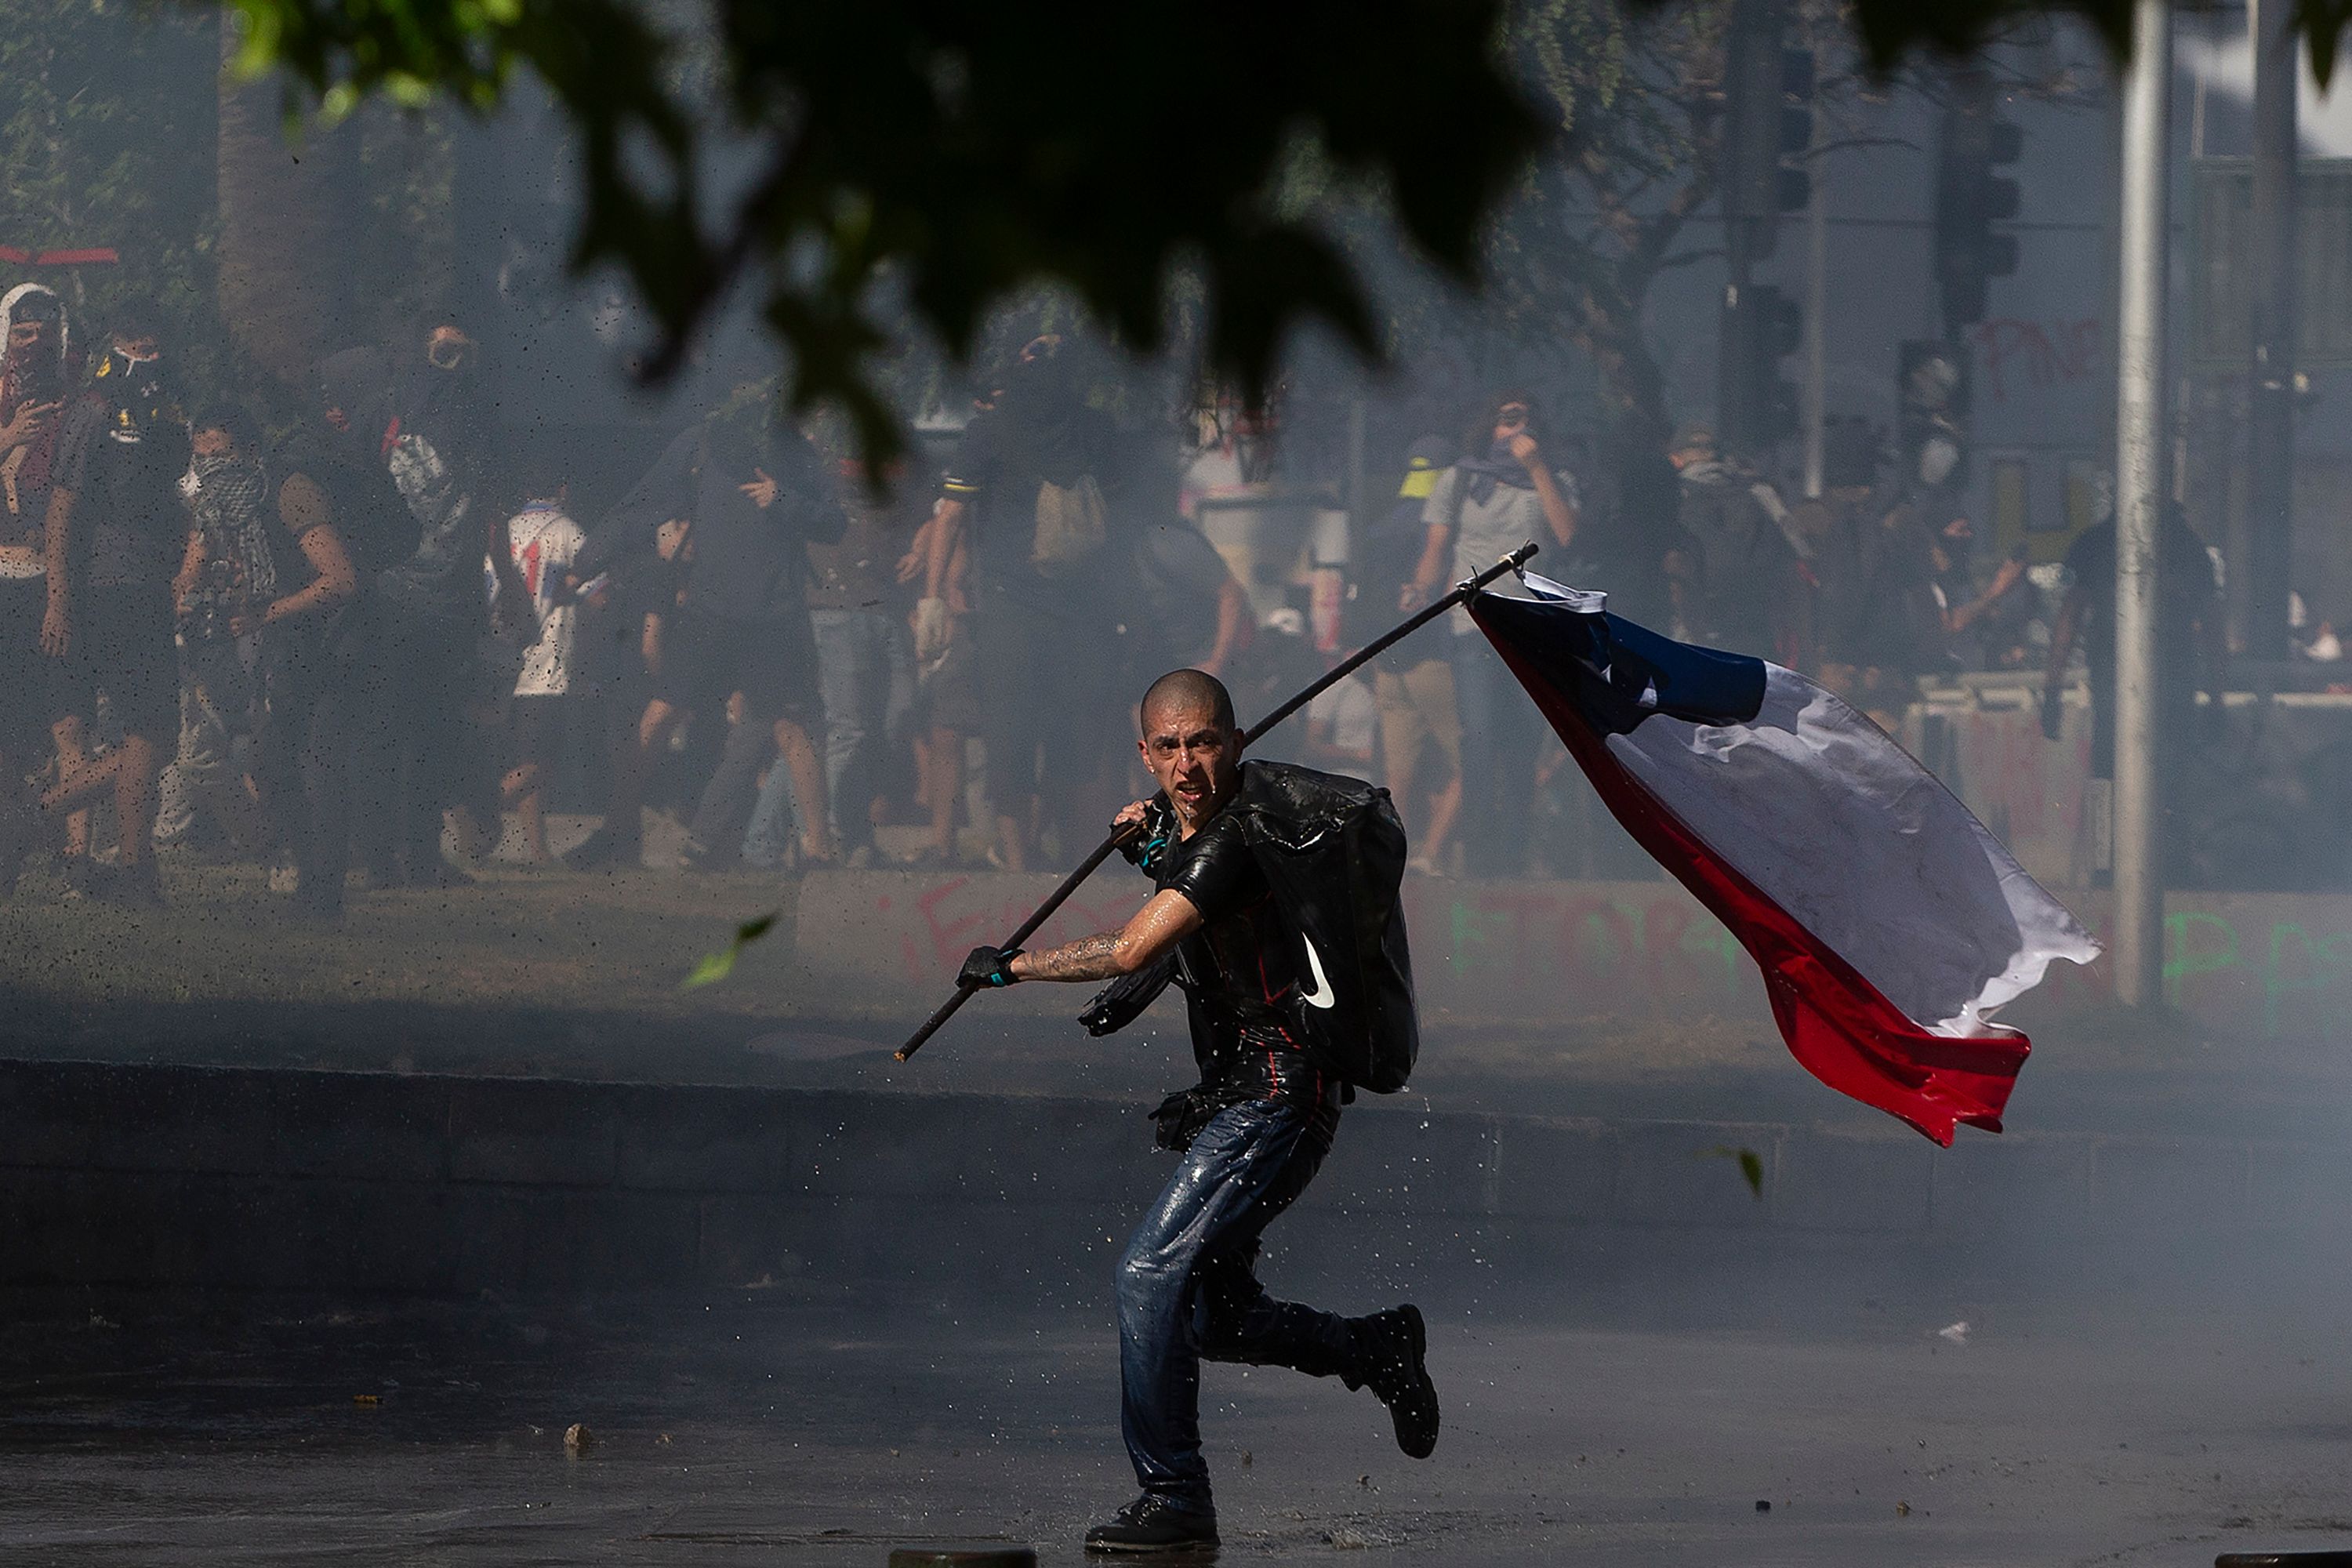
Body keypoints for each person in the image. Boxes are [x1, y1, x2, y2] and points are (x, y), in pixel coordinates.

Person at [956, 669, 1439, 1553]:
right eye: (1170, 747)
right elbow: (1195, 887)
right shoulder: (1200, 834)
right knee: (1214, 1315)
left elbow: (1133, 947)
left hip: (1279, 1096)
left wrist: (1011, 967)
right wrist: (1153, 847)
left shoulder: (1240, 838)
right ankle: (1374, 1349)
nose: (1188, 763)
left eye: (1206, 742)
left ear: (1236, 743)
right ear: (1146, 753)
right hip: (1241, 1093)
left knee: (1148, 1277)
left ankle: (1175, 1494)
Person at [569, 387, 846, 871]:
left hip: (774, 617)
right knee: (658, 719)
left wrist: (784, 500)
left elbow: (833, 522)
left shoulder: (792, 452)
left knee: (791, 728)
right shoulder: (701, 444)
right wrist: (589, 559)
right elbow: (644, 504)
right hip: (710, 612)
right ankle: (617, 834)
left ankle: (819, 851)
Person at [920, 337, 1121, 870]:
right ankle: (1022, 859)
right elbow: (952, 515)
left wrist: (933, 596)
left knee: (1043, 737)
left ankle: (1034, 856)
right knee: (1033, 736)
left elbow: (951, 516)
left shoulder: (1034, 429)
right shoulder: (1074, 428)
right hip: (1039, 608)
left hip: (1049, 610)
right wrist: (935, 596)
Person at [38, 303, 192, 907]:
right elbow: (62, 506)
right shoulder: (95, 409)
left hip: (150, 582)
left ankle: (48, 819)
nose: (148, 356)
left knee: (153, 738)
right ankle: (131, 865)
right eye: (136, 344)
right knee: (149, 734)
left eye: (156, 344)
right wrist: (58, 599)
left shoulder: (165, 411)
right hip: (108, 585)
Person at [1406, 393, 1578, 877]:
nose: (1516, 429)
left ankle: (1513, 856)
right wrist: (1419, 589)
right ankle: (1480, 855)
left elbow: (1566, 535)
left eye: (1525, 419)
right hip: (1474, 625)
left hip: (1534, 630)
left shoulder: (1555, 478)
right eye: (1507, 419)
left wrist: (1538, 468)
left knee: (1524, 743)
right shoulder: (1460, 479)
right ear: (1490, 426)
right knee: (1479, 737)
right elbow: (1436, 547)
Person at [1356, 437, 1461, 876]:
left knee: (1400, 773)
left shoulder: (1381, 529)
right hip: (1434, 662)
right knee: (1468, 764)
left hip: (1388, 666)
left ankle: (1388, 862)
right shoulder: (1440, 527)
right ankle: (1431, 855)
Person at [0, 284, 71, 880]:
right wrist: (8, 438)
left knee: (45, 720)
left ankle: (42, 839)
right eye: (21, 333)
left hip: (48, 574)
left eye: (43, 334)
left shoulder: (73, 397)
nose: (32, 344)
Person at [485, 468, 586, 866]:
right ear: (563, 489)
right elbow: (598, 593)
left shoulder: (506, 531)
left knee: (524, 757)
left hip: (503, 657)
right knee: (543, 761)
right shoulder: (569, 532)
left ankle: (538, 849)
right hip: (549, 660)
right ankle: (479, 810)